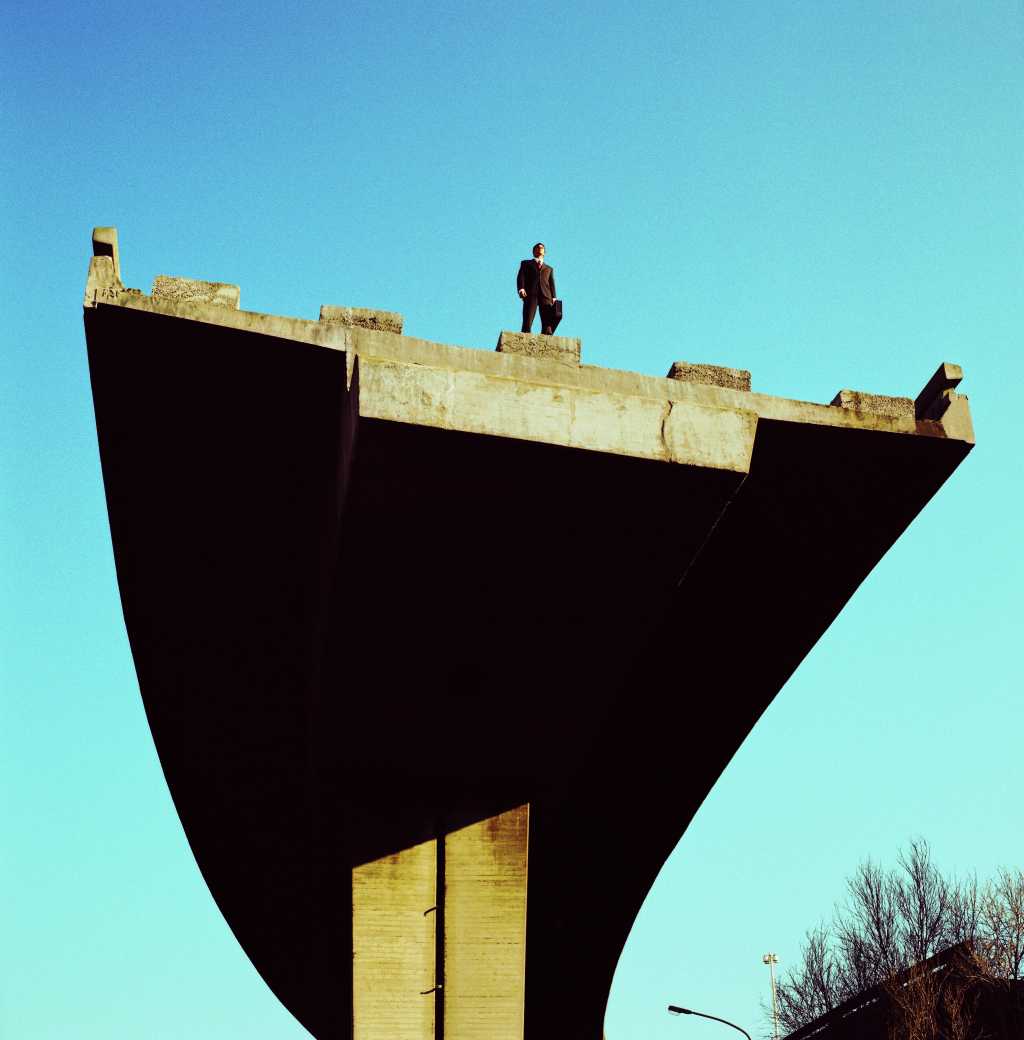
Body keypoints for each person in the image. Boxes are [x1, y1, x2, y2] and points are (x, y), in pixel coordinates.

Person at [517, 243, 557, 335]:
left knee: (547, 321)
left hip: (546, 295)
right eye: (537, 247)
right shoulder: (526, 263)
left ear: (545, 252)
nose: (539, 249)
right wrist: (521, 289)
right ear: (533, 251)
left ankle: (546, 336)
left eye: (542, 248)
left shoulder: (549, 268)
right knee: (528, 317)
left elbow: (552, 283)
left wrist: (554, 297)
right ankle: (526, 334)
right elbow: (521, 277)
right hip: (531, 294)